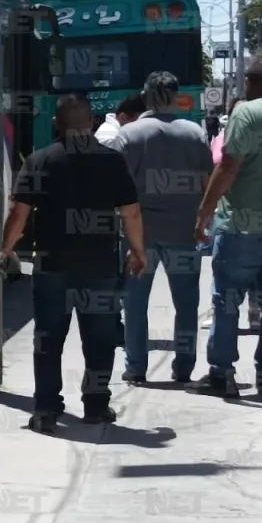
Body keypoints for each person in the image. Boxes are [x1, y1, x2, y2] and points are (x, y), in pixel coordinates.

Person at [0, 93, 147, 434]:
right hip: (99, 266)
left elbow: (19, 212)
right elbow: (131, 211)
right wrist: (138, 251)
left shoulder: (39, 160)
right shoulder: (112, 161)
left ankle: (46, 410)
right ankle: (95, 406)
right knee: (99, 338)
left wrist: (6, 249)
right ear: (92, 123)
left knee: (48, 339)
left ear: (57, 125)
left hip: (51, 266)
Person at [193, 58, 262, 396]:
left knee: (226, 301)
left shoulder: (246, 113)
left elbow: (229, 166)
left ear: (250, 82)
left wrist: (204, 212)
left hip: (241, 227)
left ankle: (223, 373)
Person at [106, 71, 213, 385]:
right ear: (177, 96)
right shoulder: (194, 134)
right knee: (186, 303)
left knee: (135, 303)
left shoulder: (130, 134)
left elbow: (117, 188)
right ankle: (183, 367)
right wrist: (203, 224)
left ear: (146, 95)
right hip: (184, 231)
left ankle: (136, 367)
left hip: (140, 235)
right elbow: (208, 184)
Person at [205, 98, 261, 329]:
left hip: (256, 208)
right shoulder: (220, 139)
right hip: (224, 210)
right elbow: (214, 170)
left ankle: (255, 311)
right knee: (223, 266)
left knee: (257, 265)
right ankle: (219, 313)